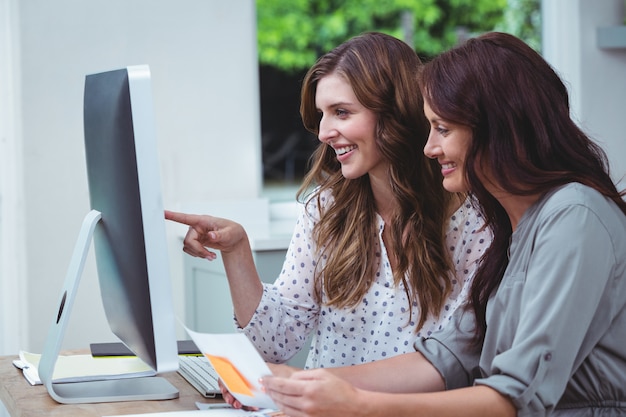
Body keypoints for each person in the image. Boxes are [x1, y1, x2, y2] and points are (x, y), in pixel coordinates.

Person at [258, 32, 626, 417]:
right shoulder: (514, 227)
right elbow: (445, 358)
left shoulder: (574, 216)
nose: (429, 147)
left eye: (443, 130)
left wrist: (358, 406)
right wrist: (291, 384)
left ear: (497, 128)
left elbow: (517, 397)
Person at [165, 32, 490, 370]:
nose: (323, 132)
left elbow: (457, 364)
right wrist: (236, 250)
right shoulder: (325, 210)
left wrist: (321, 388)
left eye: (342, 112)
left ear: (396, 113)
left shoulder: (473, 223)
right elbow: (273, 344)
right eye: (322, 114)